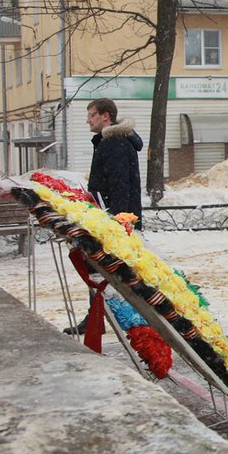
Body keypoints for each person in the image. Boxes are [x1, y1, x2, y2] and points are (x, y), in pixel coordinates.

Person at [65, 98, 144, 335]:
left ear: (105, 116)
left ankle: (112, 319)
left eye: (91, 115)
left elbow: (120, 185)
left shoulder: (114, 143)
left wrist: (116, 222)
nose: (88, 120)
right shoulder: (109, 141)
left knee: (103, 268)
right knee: (101, 268)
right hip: (111, 215)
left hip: (114, 219)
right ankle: (97, 318)